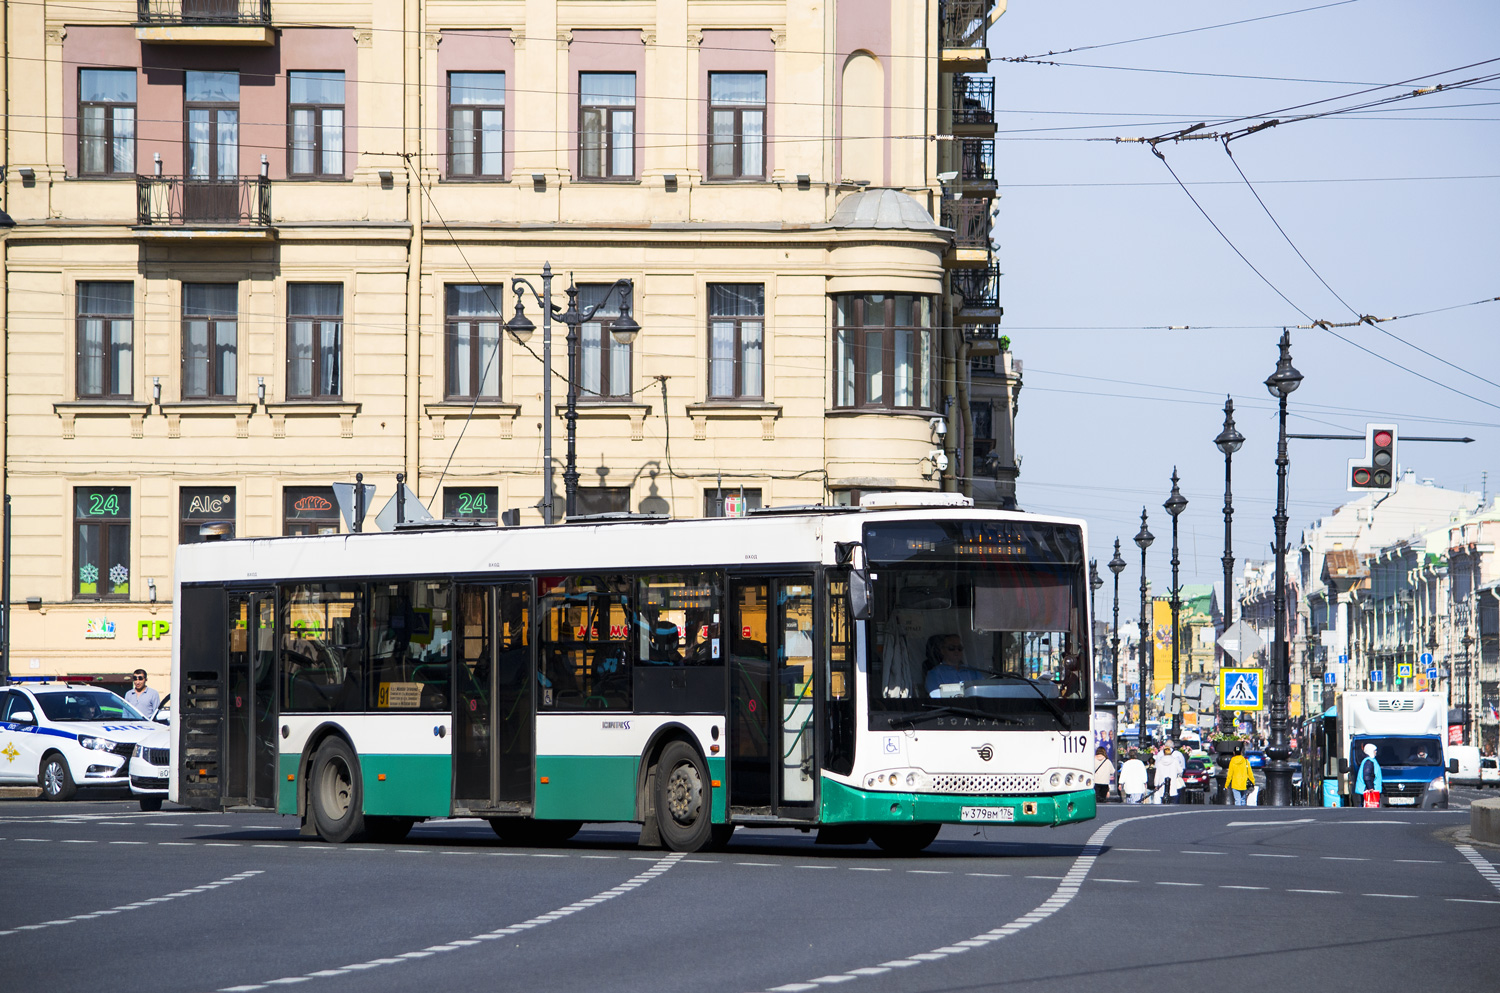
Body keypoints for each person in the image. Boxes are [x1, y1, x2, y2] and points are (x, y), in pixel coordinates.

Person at [923, 635, 987, 695]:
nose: (956, 651)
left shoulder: (973, 671)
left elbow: (985, 691)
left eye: (959, 648)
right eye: (951, 648)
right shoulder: (934, 674)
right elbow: (936, 696)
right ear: (942, 651)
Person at [1354, 742, 1383, 806]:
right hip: (1367, 790)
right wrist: (1370, 787)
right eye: (1374, 750)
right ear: (1370, 751)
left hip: (1368, 788)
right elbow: (1366, 776)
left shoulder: (1369, 761)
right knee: (1367, 806)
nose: (1376, 752)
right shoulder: (1369, 762)